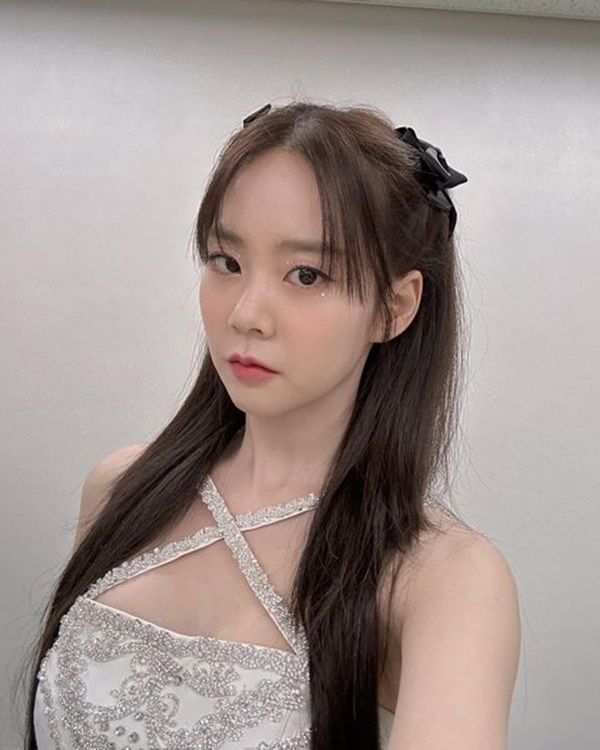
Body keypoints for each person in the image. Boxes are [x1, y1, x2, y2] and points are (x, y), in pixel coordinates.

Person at [24, 100, 520, 750]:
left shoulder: (440, 577)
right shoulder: (120, 489)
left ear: (394, 307)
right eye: (226, 262)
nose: (247, 314)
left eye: (306, 275)